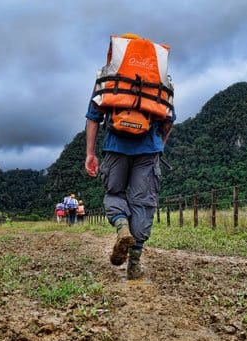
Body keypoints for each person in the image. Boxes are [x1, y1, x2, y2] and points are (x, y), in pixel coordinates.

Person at [84, 33, 175, 280]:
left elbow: (93, 117)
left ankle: (121, 225)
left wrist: (90, 153)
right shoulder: (159, 79)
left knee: (114, 194)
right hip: (149, 150)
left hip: (115, 148)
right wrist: (159, 146)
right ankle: (134, 262)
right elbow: (168, 121)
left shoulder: (109, 77)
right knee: (143, 203)